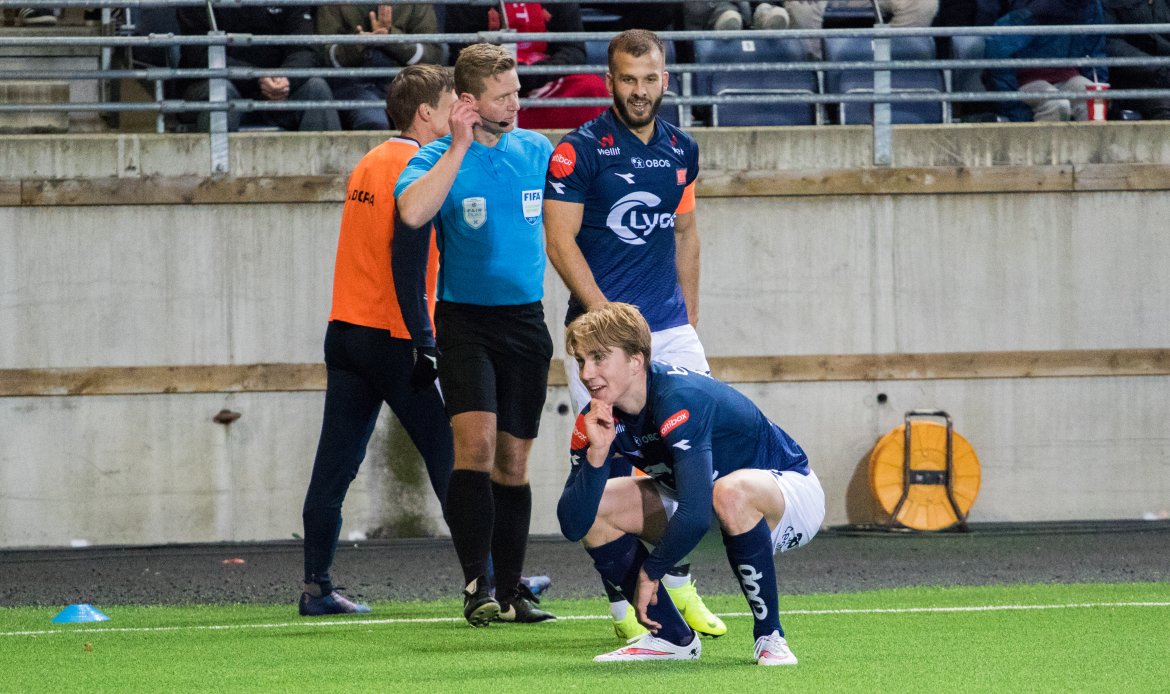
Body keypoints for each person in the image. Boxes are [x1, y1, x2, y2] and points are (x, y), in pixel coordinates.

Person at [543, 28, 724, 641]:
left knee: (692, 464)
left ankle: (676, 582)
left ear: (665, 80)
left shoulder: (682, 149)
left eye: (650, 80)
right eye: (628, 79)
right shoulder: (579, 149)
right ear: (610, 80)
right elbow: (559, 240)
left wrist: (688, 317)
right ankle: (623, 605)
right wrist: (609, 329)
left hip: (669, 332)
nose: (640, 91)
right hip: (603, 337)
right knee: (609, 463)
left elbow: (686, 232)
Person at [558, 302, 825, 664]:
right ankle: (672, 639)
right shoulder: (596, 419)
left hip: (788, 500)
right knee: (599, 507)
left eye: (599, 358)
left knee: (730, 492)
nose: (587, 373)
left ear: (636, 360)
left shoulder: (678, 398)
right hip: (702, 509)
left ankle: (770, 636)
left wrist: (652, 572)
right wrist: (597, 456)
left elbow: (697, 513)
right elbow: (574, 524)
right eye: (581, 361)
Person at [394, 42, 556, 627]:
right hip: (464, 322)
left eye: (517, 92)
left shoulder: (536, 150)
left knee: (513, 462)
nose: (517, 103)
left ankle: (512, 589)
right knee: (477, 449)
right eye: (504, 96)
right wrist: (458, 146)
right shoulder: (435, 156)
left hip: (526, 323)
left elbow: (571, 221)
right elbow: (412, 214)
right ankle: (477, 584)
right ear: (468, 102)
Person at [299, 64, 457, 616]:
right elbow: (406, 260)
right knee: (448, 456)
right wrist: (424, 339)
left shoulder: (370, 160)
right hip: (393, 335)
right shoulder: (418, 164)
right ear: (425, 113)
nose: (460, 109)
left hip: (344, 331)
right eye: (451, 101)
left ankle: (316, 587)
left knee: (334, 468)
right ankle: (490, 580)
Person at [177, 4, 341, 132]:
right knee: (221, 92)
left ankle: (328, 173)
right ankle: (216, 172)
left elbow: (305, 49)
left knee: (316, 89)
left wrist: (286, 78)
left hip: (278, 91)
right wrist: (255, 77)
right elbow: (198, 53)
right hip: (214, 85)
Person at [444, 3, 609, 129]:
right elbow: (461, 49)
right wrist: (503, 71)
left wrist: (538, 72)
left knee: (591, 87)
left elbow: (574, 49)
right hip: (488, 80)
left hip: (546, 81)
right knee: (451, 94)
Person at [316, 3, 442, 130]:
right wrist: (357, 45)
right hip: (354, 85)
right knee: (372, 121)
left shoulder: (416, 5)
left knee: (428, 118)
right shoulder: (334, 5)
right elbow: (324, 55)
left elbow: (432, 54)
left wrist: (392, 38)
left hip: (405, 84)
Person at [984, 0, 1108, 121]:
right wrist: (1014, 108)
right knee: (1057, 105)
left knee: (1095, 100)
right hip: (1024, 79)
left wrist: (1098, 85)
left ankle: (1087, 142)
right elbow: (998, 49)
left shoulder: (1090, 4)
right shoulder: (1030, 7)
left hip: (1066, 74)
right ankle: (1042, 142)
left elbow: (1095, 51)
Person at [1104, 0, 1170, 120]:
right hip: (1134, 80)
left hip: (1165, 75)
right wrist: (1157, 67)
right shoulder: (1110, 3)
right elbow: (1112, 44)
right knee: (1164, 108)